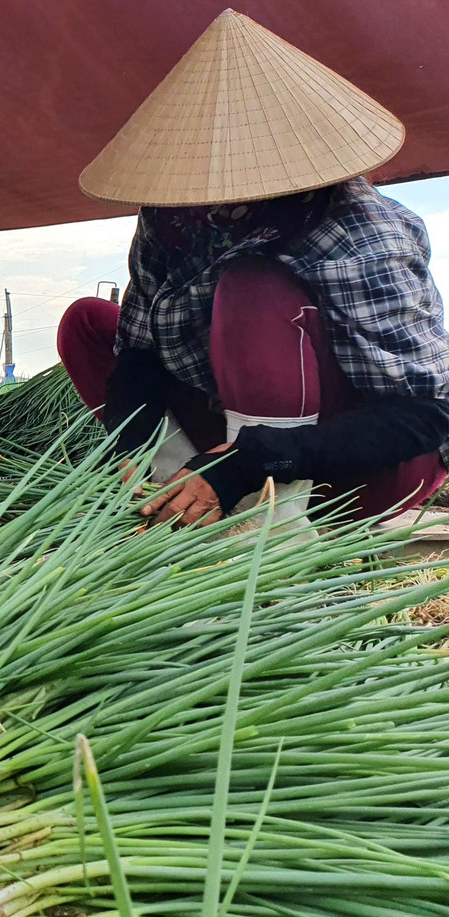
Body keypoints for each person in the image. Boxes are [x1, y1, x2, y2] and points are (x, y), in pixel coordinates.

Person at [58, 9, 449, 529]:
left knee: (251, 284)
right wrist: (133, 444)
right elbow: (140, 350)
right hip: (228, 431)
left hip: (359, 468)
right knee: (87, 322)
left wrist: (250, 463)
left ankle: (269, 530)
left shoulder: (363, 231)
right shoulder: (172, 218)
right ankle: (176, 497)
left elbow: (424, 413)